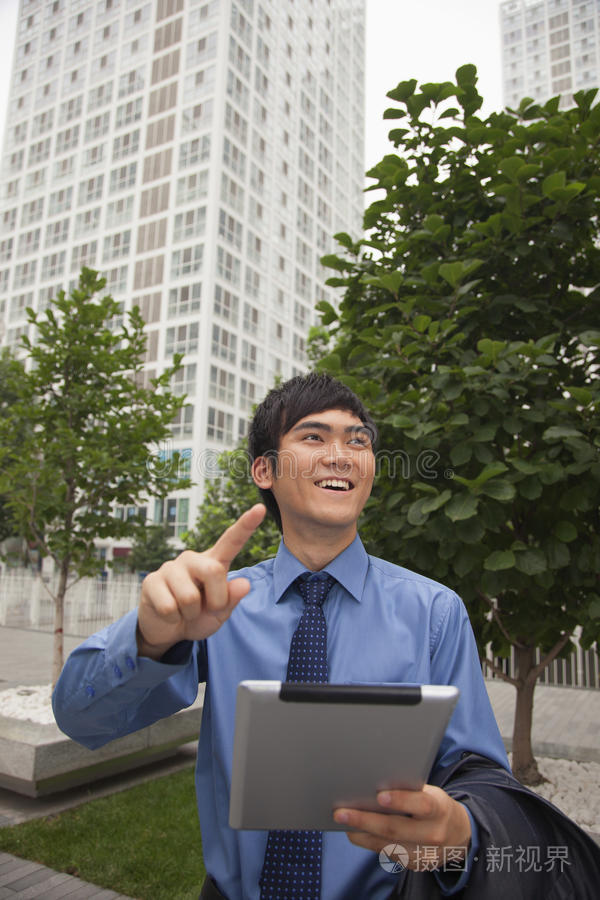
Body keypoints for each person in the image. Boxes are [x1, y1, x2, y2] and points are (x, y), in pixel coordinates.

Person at [53, 373, 600, 899]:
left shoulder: (434, 611)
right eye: (313, 436)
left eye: (357, 441)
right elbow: (82, 720)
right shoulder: (215, 604)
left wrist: (461, 830)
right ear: (264, 470)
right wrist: (149, 639)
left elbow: (478, 772)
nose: (342, 454)